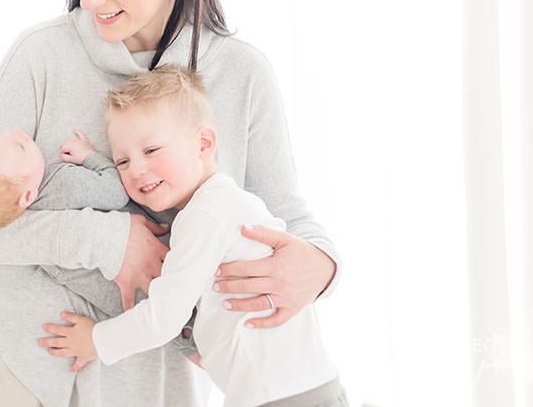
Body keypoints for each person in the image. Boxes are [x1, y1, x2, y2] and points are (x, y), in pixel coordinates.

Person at [0, 0, 341, 407]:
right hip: (20, 360)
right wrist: (107, 243)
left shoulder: (241, 75)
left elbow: (283, 216)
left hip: (154, 380)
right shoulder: (41, 56)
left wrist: (322, 266)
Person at [40, 66, 347, 407]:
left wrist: (95, 341)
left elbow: (162, 319)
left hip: (279, 397)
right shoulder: (227, 203)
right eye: (122, 160)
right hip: (304, 387)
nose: (137, 169)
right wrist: (94, 159)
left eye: (152, 150)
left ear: (203, 143)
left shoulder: (204, 215)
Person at [0, 128, 129, 230]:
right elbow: (117, 194)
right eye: (20, 147)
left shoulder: (31, 216)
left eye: (5, 134)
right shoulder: (66, 184)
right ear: (27, 196)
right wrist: (89, 156)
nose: (20, 133)